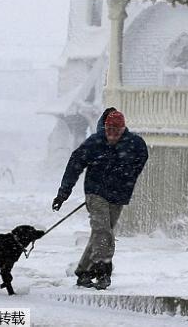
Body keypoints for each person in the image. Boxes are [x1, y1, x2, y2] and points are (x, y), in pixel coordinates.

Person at [52, 107, 148, 290]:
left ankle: (83, 272)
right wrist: (63, 193)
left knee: (100, 233)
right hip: (95, 193)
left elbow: (140, 160)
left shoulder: (135, 144)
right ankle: (102, 271)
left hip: (119, 195)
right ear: (105, 128)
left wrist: (126, 177)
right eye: (109, 131)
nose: (112, 135)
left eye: (116, 131)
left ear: (123, 129)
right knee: (103, 231)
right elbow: (75, 164)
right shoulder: (95, 143)